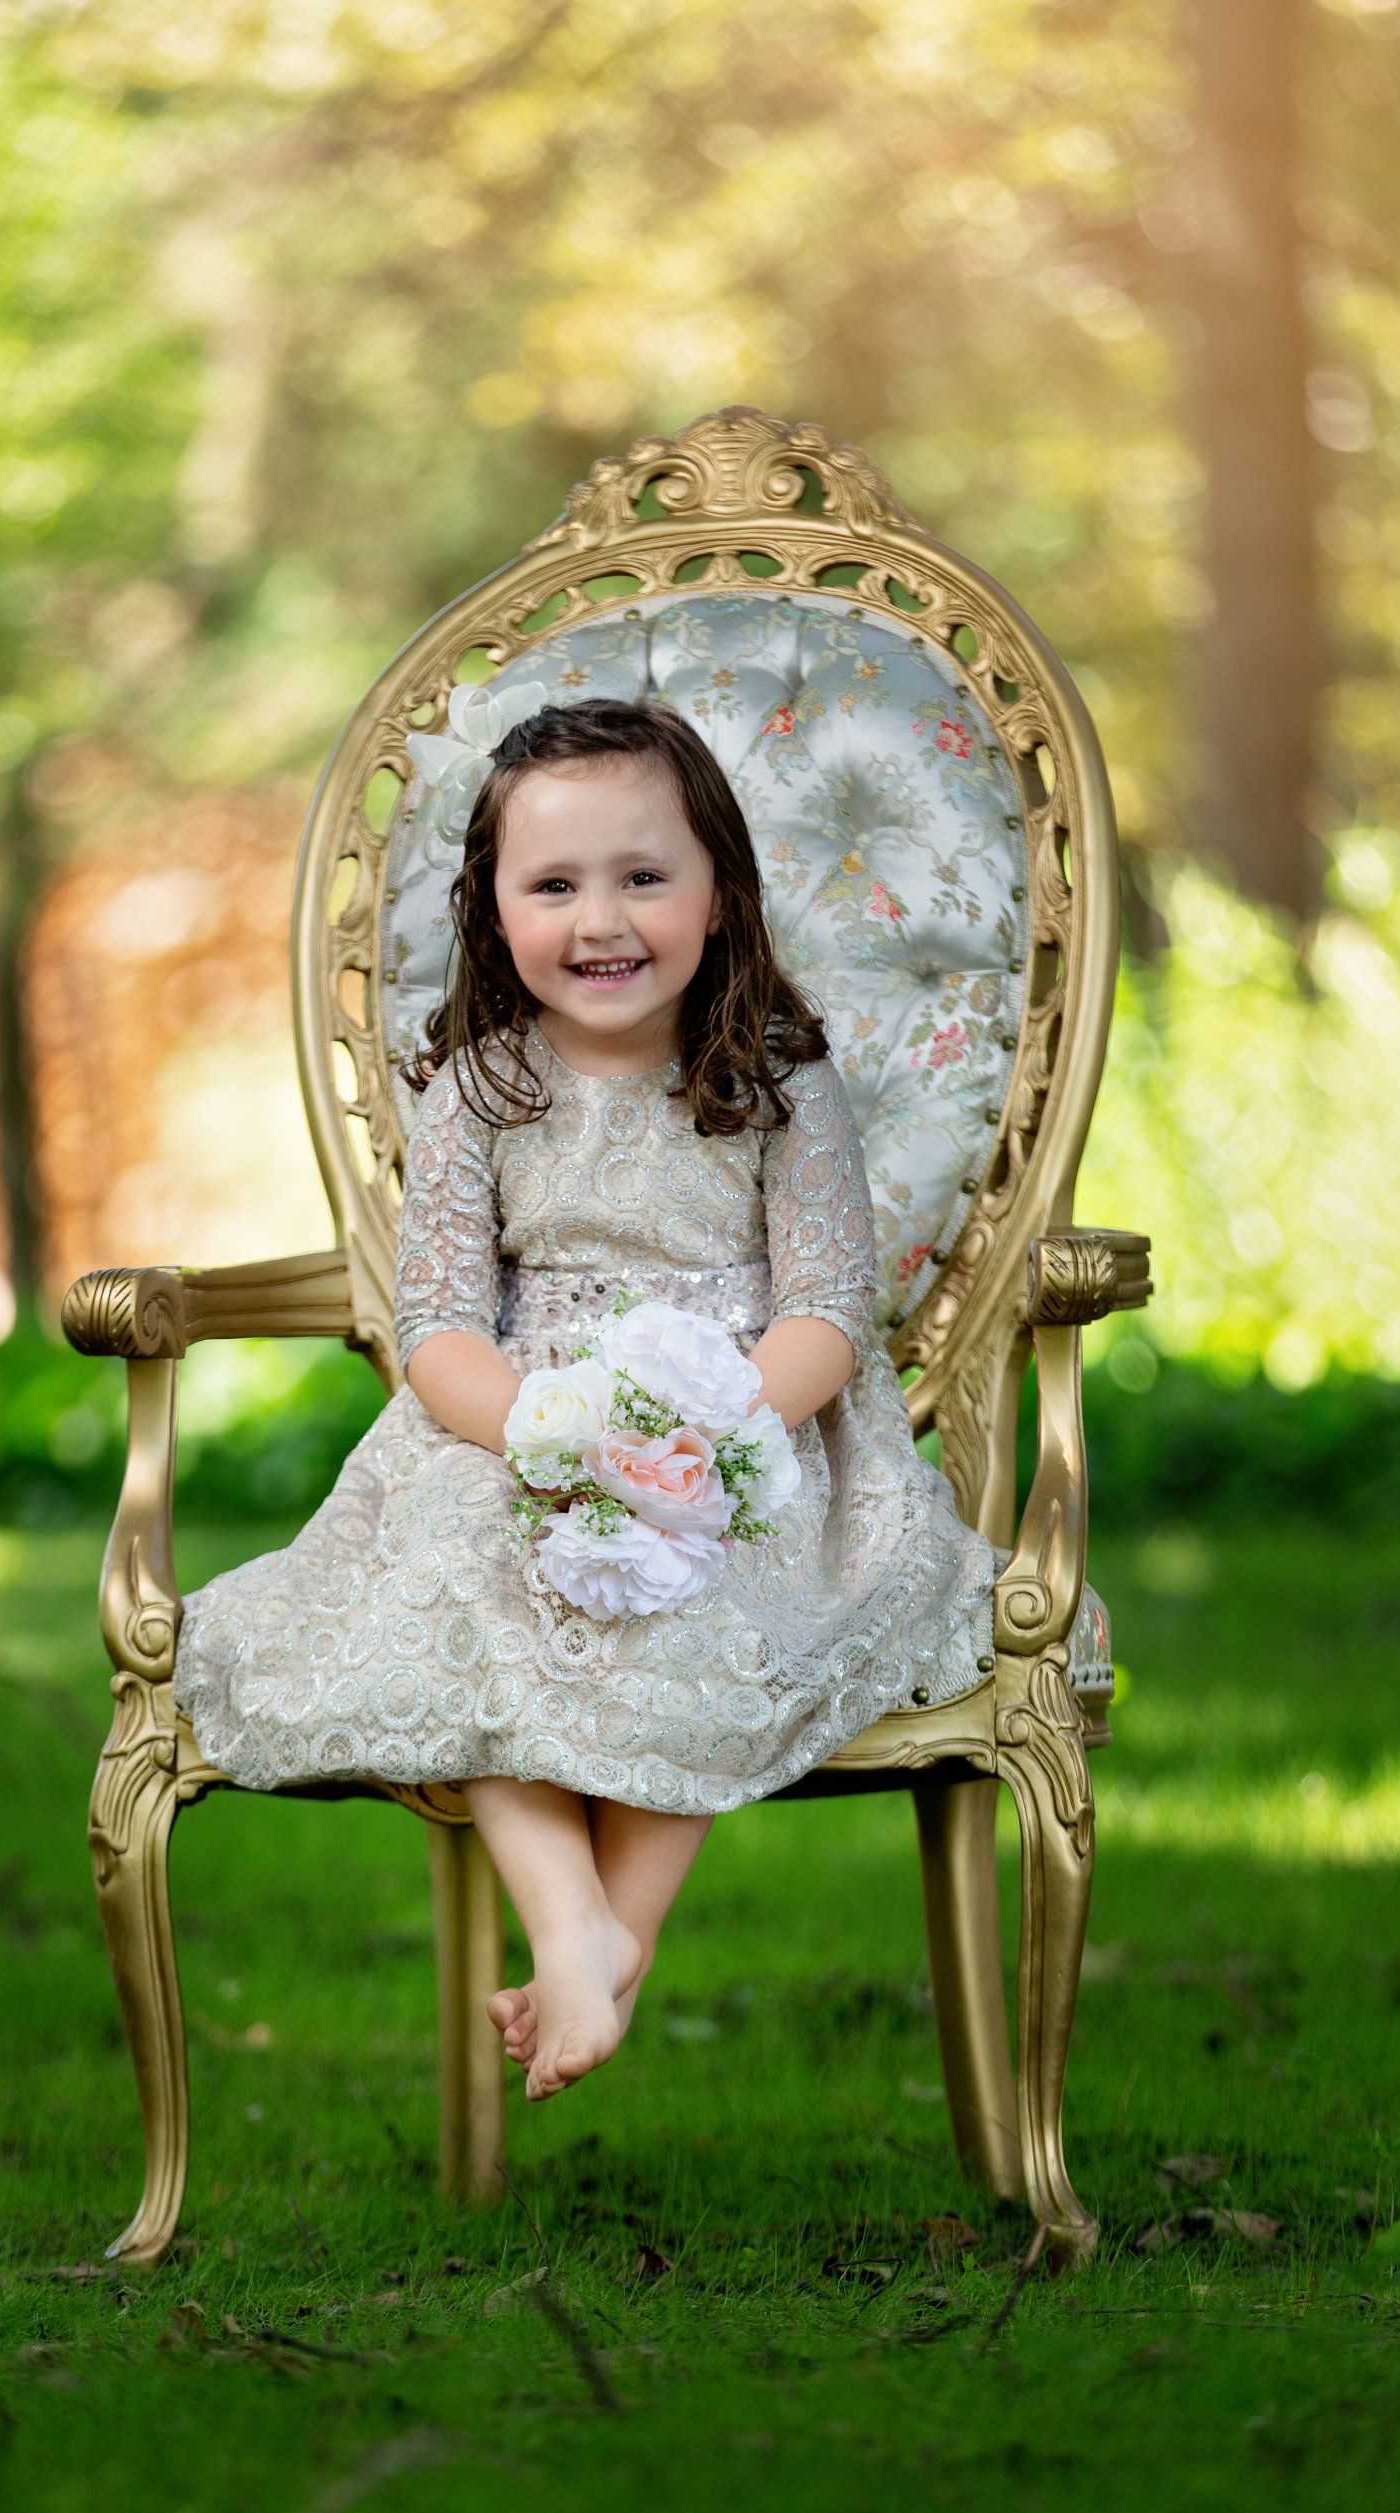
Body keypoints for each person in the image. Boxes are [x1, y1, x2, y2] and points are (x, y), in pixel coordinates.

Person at [174, 698, 998, 2103]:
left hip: (742, 1427)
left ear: (720, 893)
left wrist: (705, 1438)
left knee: (715, 1586)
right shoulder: (480, 1092)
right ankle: (570, 1922)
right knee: (461, 1583)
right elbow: (440, 1329)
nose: (600, 920)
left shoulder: (776, 1078)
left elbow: (826, 1313)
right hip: (525, 1427)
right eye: (553, 884)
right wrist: (550, 1437)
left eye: (643, 876)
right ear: (491, 910)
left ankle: (624, 1934)